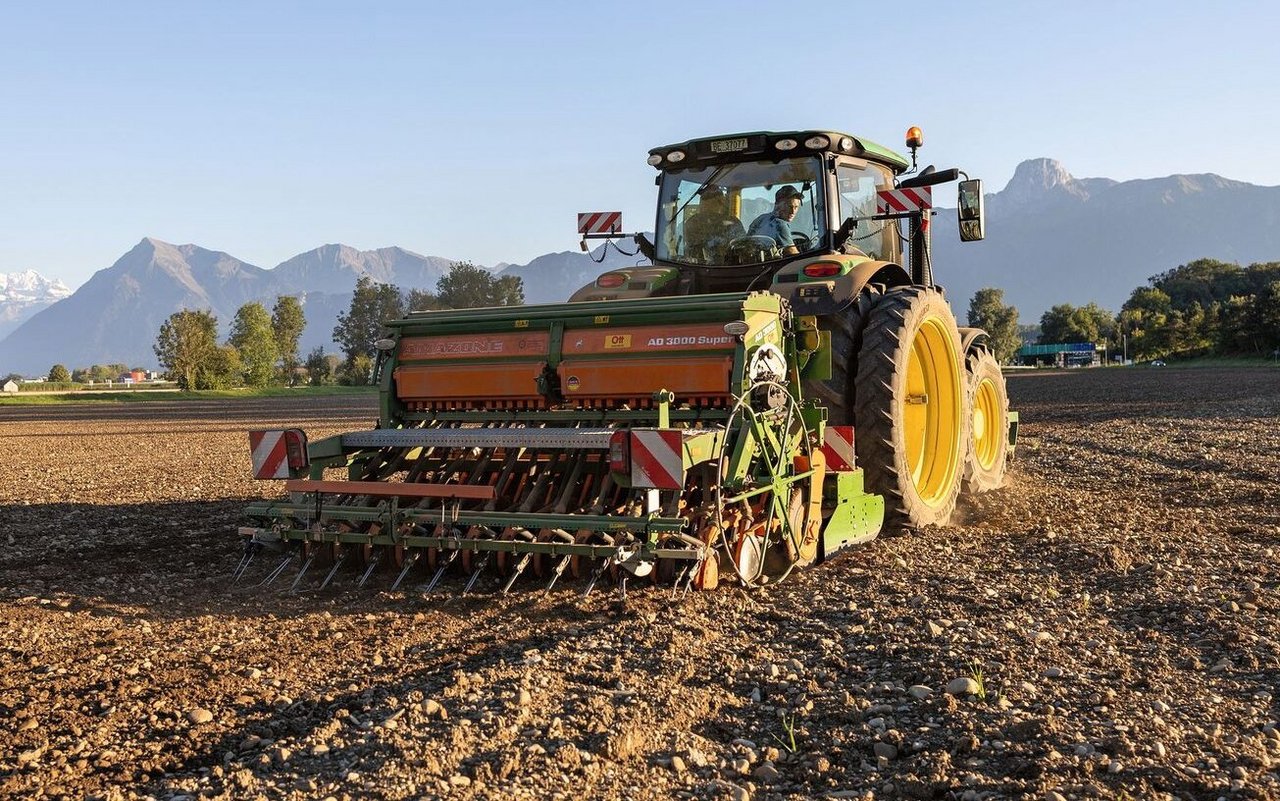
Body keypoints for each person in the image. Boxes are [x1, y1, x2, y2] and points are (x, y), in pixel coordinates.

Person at [685, 186, 745, 263]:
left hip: (730, 267)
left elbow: (742, 246)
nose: (706, 204)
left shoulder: (733, 223)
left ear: (720, 203)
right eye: (704, 198)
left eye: (711, 198)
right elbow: (692, 246)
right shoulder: (693, 222)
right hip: (696, 267)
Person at [748, 185, 804, 256]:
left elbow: (747, 242)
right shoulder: (780, 225)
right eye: (789, 206)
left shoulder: (761, 219)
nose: (793, 211)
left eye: (796, 207)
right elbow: (795, 256)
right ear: (777, 204)